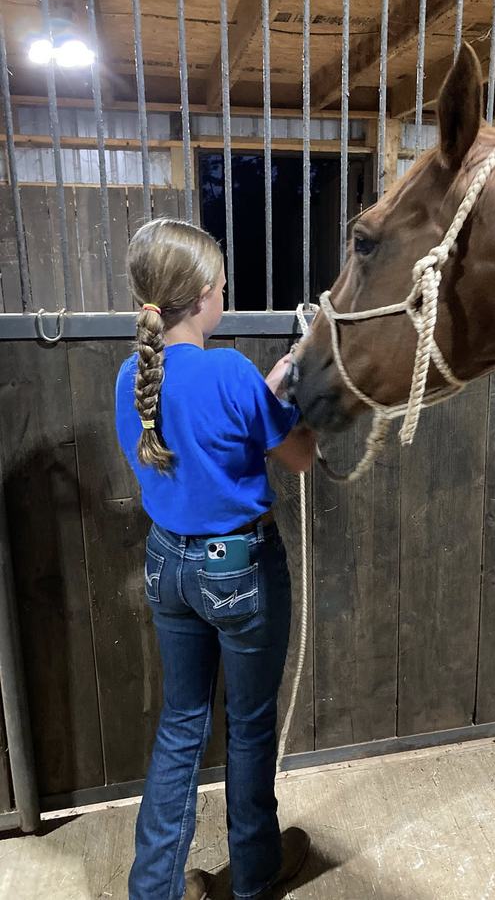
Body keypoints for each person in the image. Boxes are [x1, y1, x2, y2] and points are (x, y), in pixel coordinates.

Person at [114, 218, 315, 900]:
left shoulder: (130, 378)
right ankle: (255, 878)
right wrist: (285, 391)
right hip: (239, 569)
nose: (223, 290)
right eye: (222, 283)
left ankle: (155, 890)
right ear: (203, 292)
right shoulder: (231, 373)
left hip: (167, 566)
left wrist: (264, 389)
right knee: (250, 723)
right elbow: (303, 456)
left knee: (180, 723)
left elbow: (190, 447)